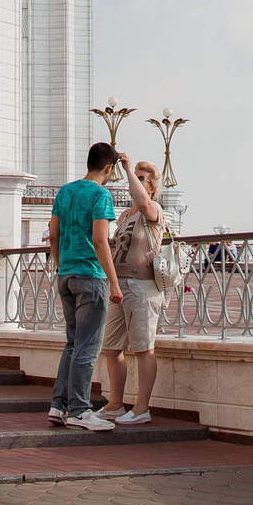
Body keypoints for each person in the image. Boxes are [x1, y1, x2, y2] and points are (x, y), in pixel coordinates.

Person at [46, 142, 123, 431]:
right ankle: (79, 409)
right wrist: (114, 282)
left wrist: (59, 264)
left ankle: (59, 405)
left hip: (65, 273)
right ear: (108, 168)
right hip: (91, 277)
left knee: (72, 343)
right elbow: (101, 240)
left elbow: (53, 233)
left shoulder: (65, 191)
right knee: (87, 348)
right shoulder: (101, 195)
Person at [102, 155, 167, 425]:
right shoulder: (125, 216)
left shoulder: (152, 209)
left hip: (142, 286)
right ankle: (116, 403)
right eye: (134, 176)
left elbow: (141, 201)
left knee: (143, 347)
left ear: (151, 187)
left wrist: (128, 168)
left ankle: (142, 408)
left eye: (141, 179)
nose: (135, 181)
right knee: (111, 345)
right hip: (119, 285)